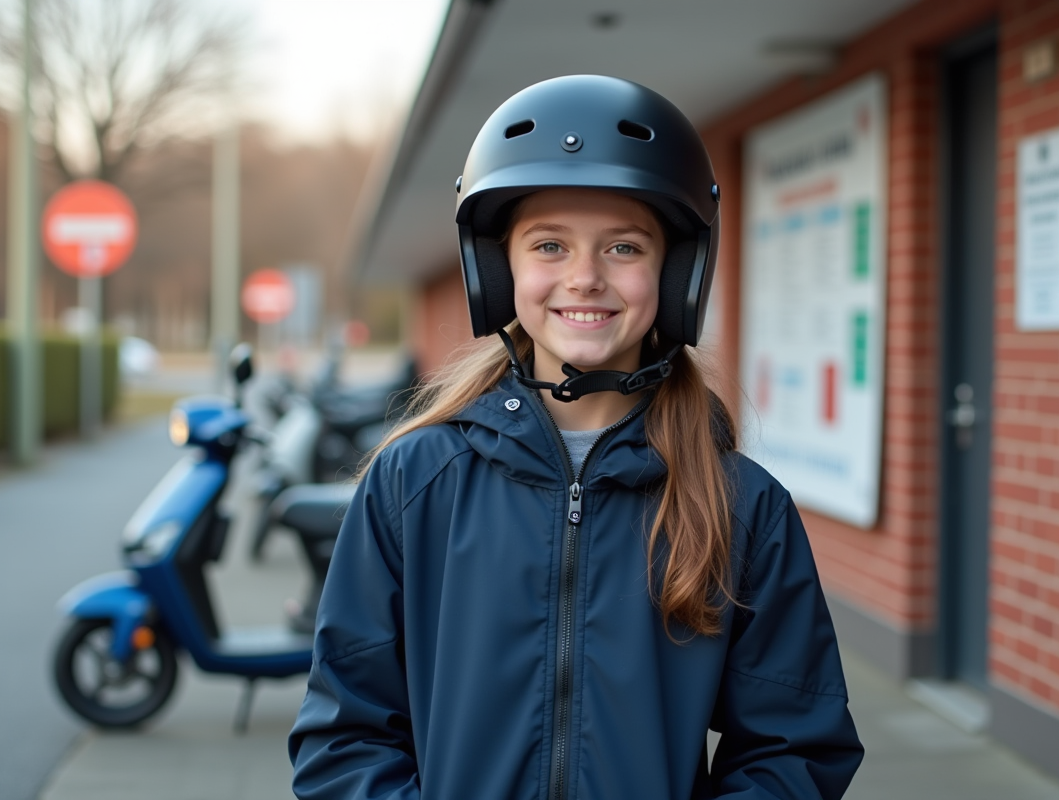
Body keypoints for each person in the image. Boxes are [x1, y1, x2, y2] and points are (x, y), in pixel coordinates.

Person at [289, 75, 863, 800]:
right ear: (498, 270)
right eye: (550, 245)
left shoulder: (742, 506)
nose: (585, 278)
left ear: (676, 274)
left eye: (624, 248)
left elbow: (795, 750)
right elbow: (345, 736)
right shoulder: (413, 483)